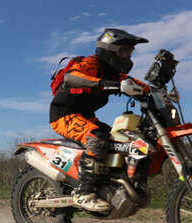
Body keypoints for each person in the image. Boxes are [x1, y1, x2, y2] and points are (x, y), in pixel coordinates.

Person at [49, 28, 148, 212]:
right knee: (98, 139)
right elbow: (72, 76)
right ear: (110, 50)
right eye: (124, 51)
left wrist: (155, 93)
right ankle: (83, 194)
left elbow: (135, 83)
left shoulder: (114, 74)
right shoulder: (91, 64)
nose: (127, 56)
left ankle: (107, 185)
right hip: (64, 114)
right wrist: (101, 83)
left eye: (129, 52)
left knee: (119, 142)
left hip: (86, 117)